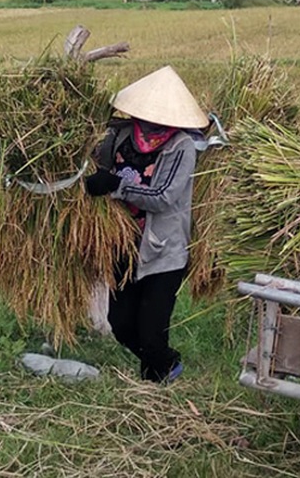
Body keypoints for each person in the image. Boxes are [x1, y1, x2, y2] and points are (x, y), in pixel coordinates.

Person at [84, 65, 208, 383]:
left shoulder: (182, 146)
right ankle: (165, 365)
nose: (152, 123)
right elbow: (97, 164)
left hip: (162, 251)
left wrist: (115, 185)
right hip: (122, 245)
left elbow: (164, 196)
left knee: (151, 332)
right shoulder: (121, 134)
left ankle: (155, 385)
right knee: (121, 324)